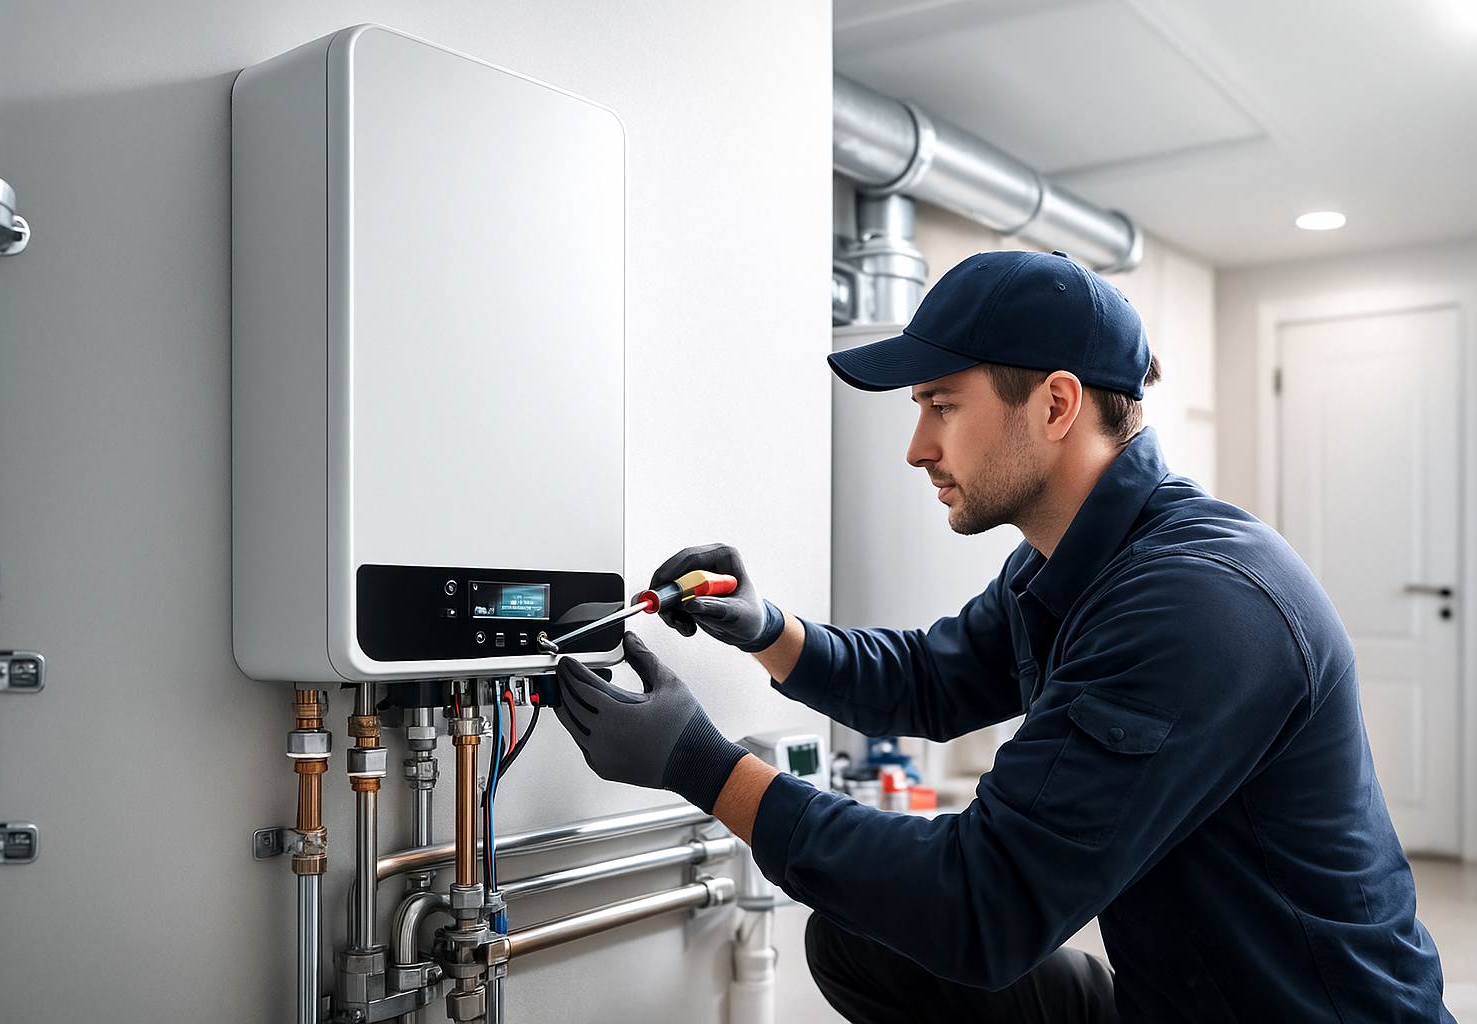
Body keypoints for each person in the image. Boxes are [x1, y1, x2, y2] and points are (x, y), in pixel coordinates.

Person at [553, 250, 1453, 1023]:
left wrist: (702, 766)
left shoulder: (1199, 603)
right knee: (865, 938)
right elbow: (933, 679)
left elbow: (985, 906)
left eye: (940, 405)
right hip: (1172, 998)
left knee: (938, 924)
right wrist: (771, 631)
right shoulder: (1065, 559)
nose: (915, 447)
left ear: (1056, 405)